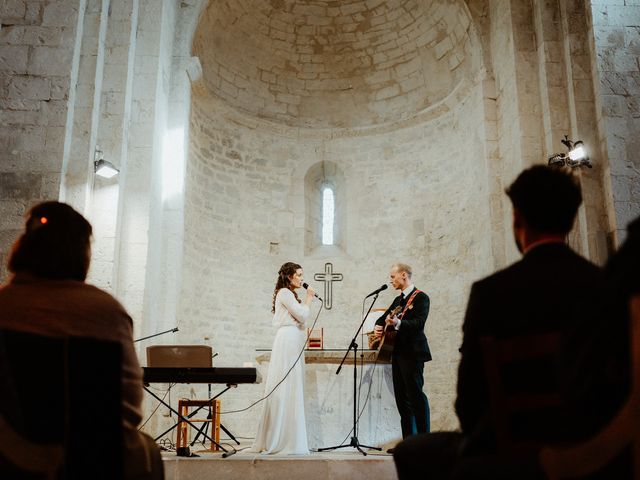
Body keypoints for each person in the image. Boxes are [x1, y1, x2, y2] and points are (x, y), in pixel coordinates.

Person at [393, 165, 605, 479]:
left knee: (412, 452)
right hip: (593, 444)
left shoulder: (490, 293)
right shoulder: (604, 287)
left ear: (517, 219)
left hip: (512, 448)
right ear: (573, 219)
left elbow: (469, 401)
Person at [0, 201, 163, 479]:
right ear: (82, 253)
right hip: (93, 459)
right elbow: (130, 408)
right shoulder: (108, 311)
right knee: (146, 451)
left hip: (10, 457)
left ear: (23, 247)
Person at [251, 262, 316, 455]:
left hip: (293, 338)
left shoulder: (290, 295)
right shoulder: (285, 294)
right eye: (299, 275)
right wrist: (309, 298)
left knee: (293, 385)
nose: (302, 278)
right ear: (289, 276)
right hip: (287, 339)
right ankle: (281, 439)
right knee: (286, 384)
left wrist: (302, 309)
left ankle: (291, 436)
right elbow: (302, 315)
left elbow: (300, 319)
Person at [373, 263, 431, 448]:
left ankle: (424, 443)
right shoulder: (398, 300)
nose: (390, 280)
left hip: (413, 353)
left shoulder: (421, 297)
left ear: (403, 275)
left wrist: (398, 322)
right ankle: (409, 444)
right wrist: (378, 324)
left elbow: (418, 323)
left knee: (416, 397)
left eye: (393, 277)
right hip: (397, 353)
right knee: (402, 401)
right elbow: (383, 318)